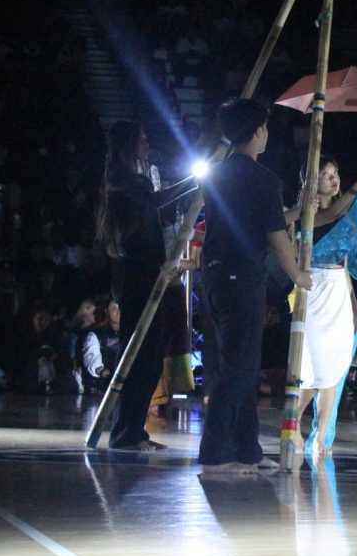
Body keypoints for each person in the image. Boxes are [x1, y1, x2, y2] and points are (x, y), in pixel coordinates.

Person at [198, 98, 312, 475]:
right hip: (240, 276)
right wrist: (297, 275)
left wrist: (296, 212)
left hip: (214, 277)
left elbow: (260, 217)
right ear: (257, 131)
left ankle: (246, 449)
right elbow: (276, 237)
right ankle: (215, 453)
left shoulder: (216, 173)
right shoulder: (262, 178)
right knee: (238, 369)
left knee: (241, 364)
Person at [95, 120, 194, 450]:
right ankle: (126, 432)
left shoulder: (136, 180)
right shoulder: (122, 180)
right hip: (136, 274)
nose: (146, 145)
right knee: (139, 355)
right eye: (141, 139)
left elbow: (155, 213)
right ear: (127, 144)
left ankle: (134, 430)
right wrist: (193, 183)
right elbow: (153, 202)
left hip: (149, 270)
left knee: (150, 356)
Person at [291, 155, 357, 457]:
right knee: (311, 370)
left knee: (334, 368)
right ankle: (291, 426)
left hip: (338, 294)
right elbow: (325, 219)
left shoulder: (344, 214)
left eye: (335, 173)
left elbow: (343, 268)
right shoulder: (303, 214)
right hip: (311, 291)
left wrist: (355, 309)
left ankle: (321, 436)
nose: (333, 178)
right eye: (325, 173)